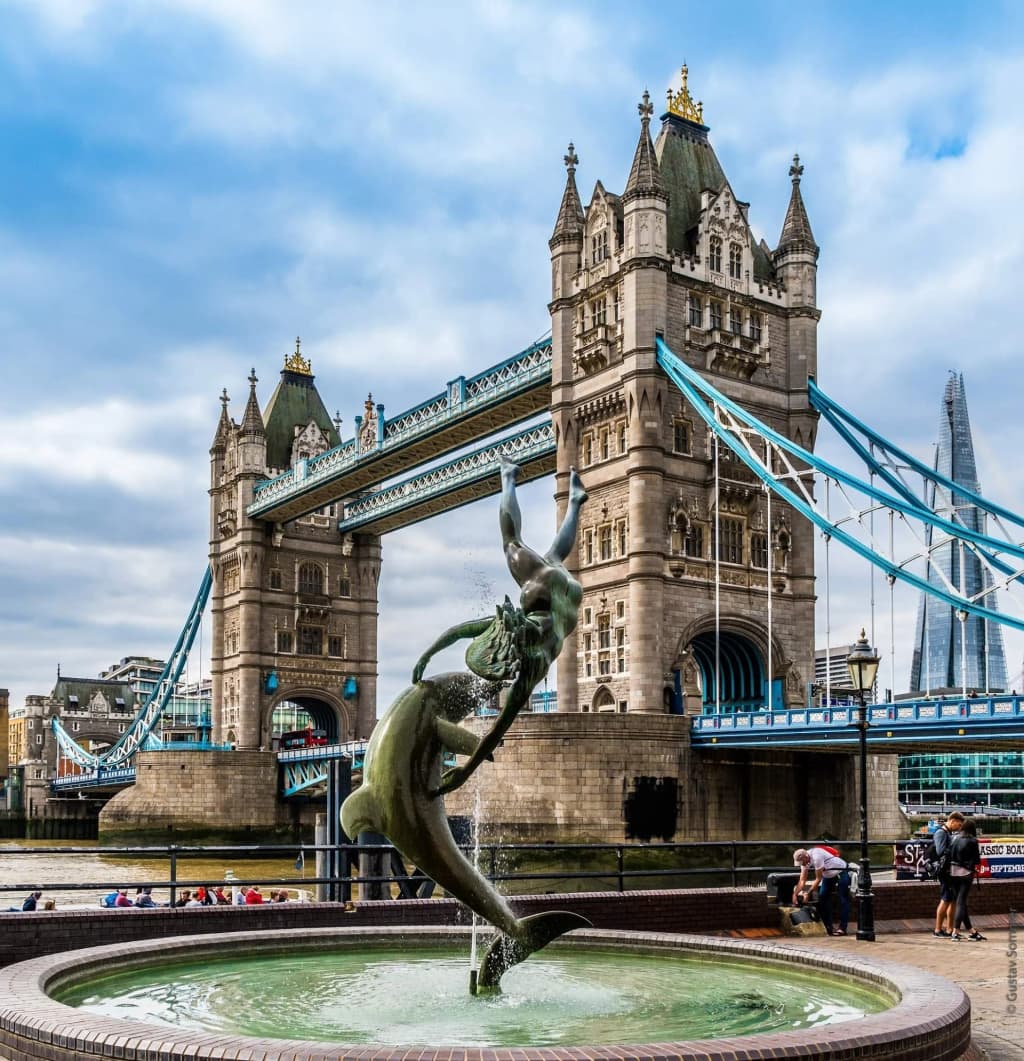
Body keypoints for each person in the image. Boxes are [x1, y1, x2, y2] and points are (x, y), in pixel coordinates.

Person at [412, 456, 588, 795]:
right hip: (545, 587)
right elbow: (462, 630)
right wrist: (427, 654)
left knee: (548, 552)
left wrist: (464, 773)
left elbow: (496, 731)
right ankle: (509, 477)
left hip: (569, 594)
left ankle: (574, 500)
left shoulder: (534, 664)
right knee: (515, 542)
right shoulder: (517, 628)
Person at [792, 846, 852, 936]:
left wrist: (808, 893)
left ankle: (842, 928)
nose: (802, 864)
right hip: (828, 875)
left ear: (806, 857)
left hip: (840, 872)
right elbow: (802, 880)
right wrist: (795, 894)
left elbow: (818, 879)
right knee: (823, 897)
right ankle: (829, 926)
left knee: (843, 899)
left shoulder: (816, 856)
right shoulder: (804, 861)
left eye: (802, 862)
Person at [949, 818, 986, 941]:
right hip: (965, 874)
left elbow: (949, 854)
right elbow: (977, 860)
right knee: (961, 902)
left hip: (952, 873)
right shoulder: (973, 840)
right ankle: (955, 931)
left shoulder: (954, 838)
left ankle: (972, 931)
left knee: (961, 903)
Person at [932, 811, 964, 938]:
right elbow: (940, 851)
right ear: (953, 821)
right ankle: (938, 929)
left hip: (949, 871)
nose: (959, 827)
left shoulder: (948, 833)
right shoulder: (941, 833)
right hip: (944, 871)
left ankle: (949, 929)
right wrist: (954, 845)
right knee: (945, 899)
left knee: (952, 900)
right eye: (959, 825)